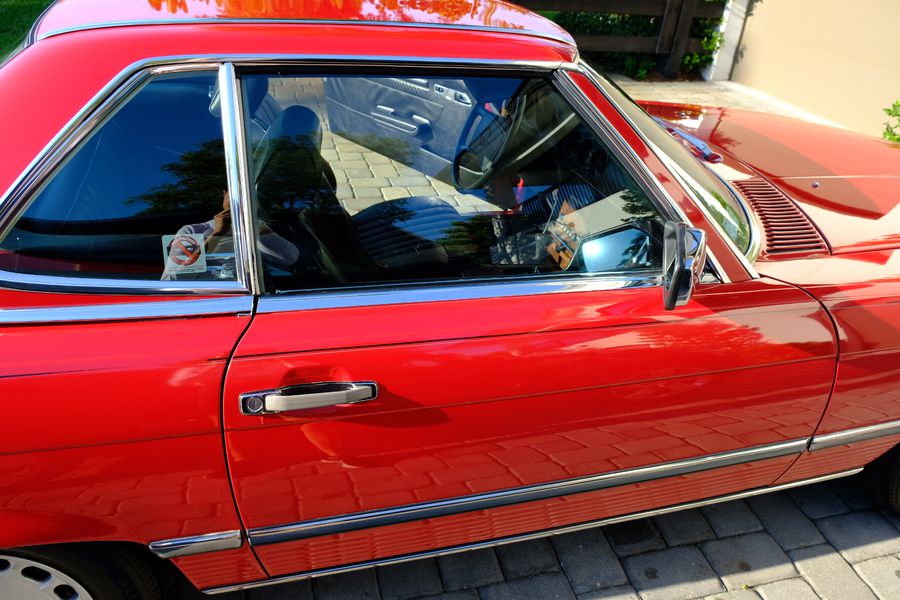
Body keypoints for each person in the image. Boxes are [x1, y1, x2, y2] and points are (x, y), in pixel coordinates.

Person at [162, 190, 300, 280]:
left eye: (248, 192)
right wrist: (217, 234)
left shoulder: (258, 229)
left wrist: (255, 226)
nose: (241, 196)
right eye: (235, 191)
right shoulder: (192, 231)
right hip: (204, 304)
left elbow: (290, 257)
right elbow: (173, 280)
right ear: (225, 194)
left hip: (252, 303)